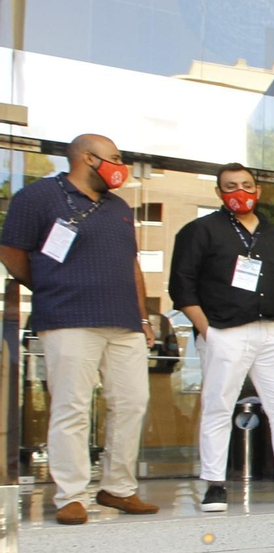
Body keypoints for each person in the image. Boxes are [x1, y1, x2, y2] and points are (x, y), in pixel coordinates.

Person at [0, 134, 159, 525]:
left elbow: (132, 266)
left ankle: (117, 488)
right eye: (115, 158)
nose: (120, 165)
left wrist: (142, 318)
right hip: (67, 319)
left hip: (123, 323)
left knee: (132, 403)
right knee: (71, 406)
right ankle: (70, 495)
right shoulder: (37, 197)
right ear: (88, 158)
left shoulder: (119, 207)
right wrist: (51, 285)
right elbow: (12, 253)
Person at [170, 163, 274, 512]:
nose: (239, 191)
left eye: (245, 184)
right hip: (226, 331)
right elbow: (182, 287)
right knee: (218, 406)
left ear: (257, 189)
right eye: (230, 186)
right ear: (218, 192)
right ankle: (214, 484)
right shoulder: (200, 231)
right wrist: (208, 331)